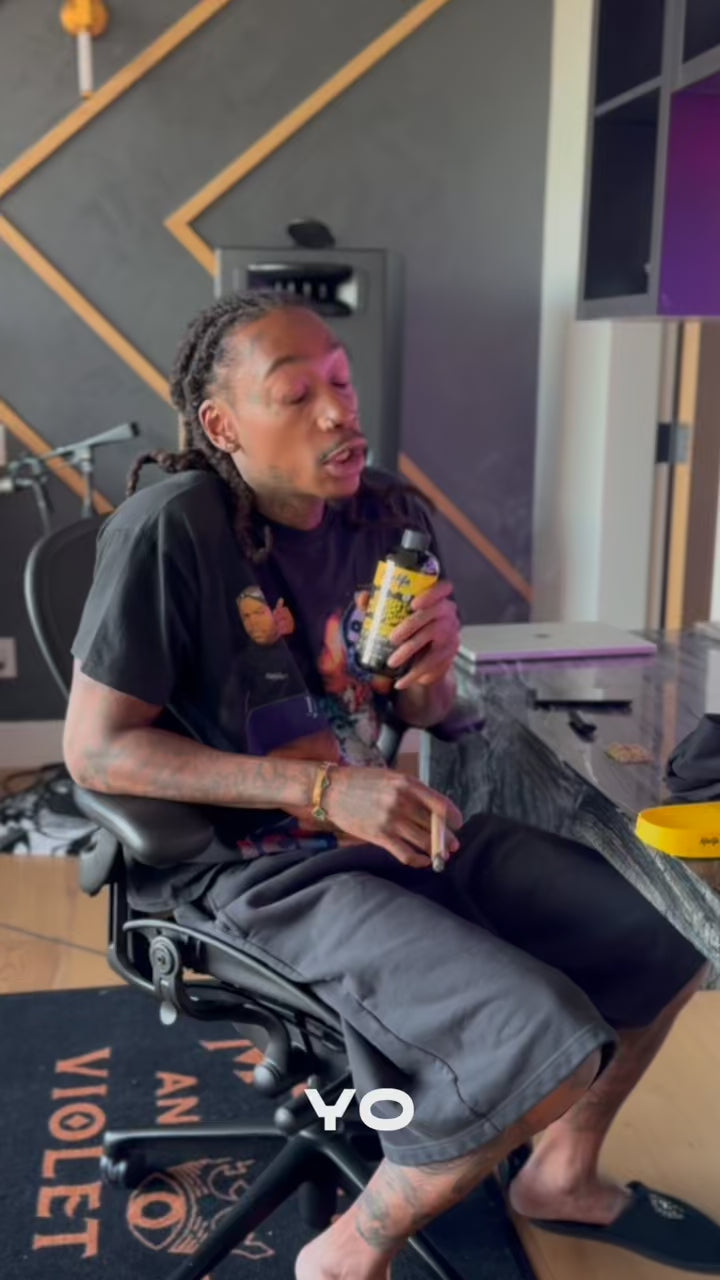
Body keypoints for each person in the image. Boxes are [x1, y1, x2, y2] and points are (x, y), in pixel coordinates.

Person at [64, 291, 716, 1279]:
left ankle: (559, 1174)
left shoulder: (389, 516)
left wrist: (431, 672)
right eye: (297, 395)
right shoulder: (172, 529)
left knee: (664, 929)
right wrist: (325, 794)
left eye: (341, 383)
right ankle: (349, 1249)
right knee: (538, 1035)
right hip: (245, 871)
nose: (338, 412)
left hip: (394, 830)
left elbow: (420, 713)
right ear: (223, 425)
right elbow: (98, 752)